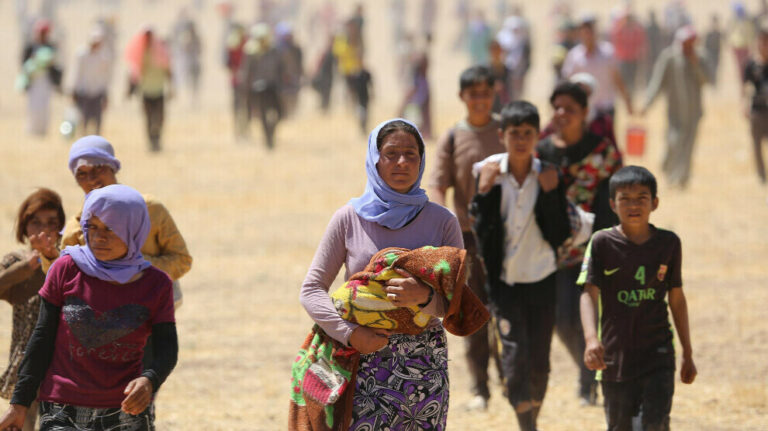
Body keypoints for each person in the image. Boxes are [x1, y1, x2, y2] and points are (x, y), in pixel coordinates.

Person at [300, 119, 463, 429]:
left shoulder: (443, 222)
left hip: (424, 367)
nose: (401, 162)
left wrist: (426, 297)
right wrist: (351, 334)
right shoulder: (348, 219)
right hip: (361, 361)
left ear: (422, 159)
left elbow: (459, 303)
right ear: (374, 159)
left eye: (411, 154)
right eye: (391, 153)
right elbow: (311, 290)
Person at [0, 184, 179, 431]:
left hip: (126, 411)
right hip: (62, 409)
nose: (98, 237)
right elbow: (41, 338)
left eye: (110, 228)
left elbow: (167, 347)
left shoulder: (156, 284)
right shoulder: (65, 269)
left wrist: (150, 379)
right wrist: (18, 404)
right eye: (92, 227)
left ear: (133, 230)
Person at [472, 101, 589, 430]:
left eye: (527, 133)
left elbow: (559, 234)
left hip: (542, 278)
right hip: (504, 283)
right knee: (513, 355)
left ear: (538, 135)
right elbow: (482, 232)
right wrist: (483, 192)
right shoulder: (489, 174)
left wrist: (552, 194)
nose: (521, 140)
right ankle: (527, 425)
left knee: (539, 360)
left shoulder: (549, 174)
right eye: (514, 134)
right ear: (502, 136)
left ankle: (530, 419)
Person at [578, 166, 697, 431]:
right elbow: (588, 294)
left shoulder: (669, 244)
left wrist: (687, 352)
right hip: (614, 357)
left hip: (658, 354)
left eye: (641, 198)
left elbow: (677, 299)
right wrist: (590, 340)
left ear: (654, 203)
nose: (634, 205)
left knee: (654, 425)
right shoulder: (601, 243)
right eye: (625, 199)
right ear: (612, 204)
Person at [536, 82, 623, 406]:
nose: (561, 114)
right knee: (561, 319)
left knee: (588, 317)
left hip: (595, 250)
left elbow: (617, 200)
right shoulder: (542, 152)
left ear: (585, 113)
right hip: (552, 253)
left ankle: (590, 381)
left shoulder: (603, 153)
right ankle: (589, 370)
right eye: (556, 107)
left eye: (569, 108)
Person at [429, 65, 504, 412]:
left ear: (494, 93)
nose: (479, 100)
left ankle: (510, 380)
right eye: (473, 93)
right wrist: (443, 232)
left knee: (508, 311)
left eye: (485, 93)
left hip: (507, 238)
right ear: (462, 97)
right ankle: (481, 389)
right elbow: (438, 184)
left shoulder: (509, 131)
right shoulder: (453, 137)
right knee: (474, 315)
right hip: (469, 241)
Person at [0, 189, 66, 431]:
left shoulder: (67, 260)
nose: (42, 229)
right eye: (35, 222)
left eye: (51, 223)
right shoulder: (16, 260)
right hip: (25, 364)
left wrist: (51, 259)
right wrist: (26, 267)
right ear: (24, 225)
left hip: (61, 362)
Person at [641, 25, 709, 189]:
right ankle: (668, 168)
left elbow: (706, 80)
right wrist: (647, 103)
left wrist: (695, 64)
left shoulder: (700, 57)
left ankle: (682, 179)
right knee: (674, 142)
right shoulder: (669, 57)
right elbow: (657, 82)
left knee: (688, 146)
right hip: (674, 111)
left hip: (694, 112)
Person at [561, 14, 634, 121]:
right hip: (583, 111)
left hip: (606, 109)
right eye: (585, 31)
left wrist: (627, 102)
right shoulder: (574, 56)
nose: (588, 34)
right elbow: (568, 83)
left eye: (591, 30)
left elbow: (618, 80)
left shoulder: (608, 53)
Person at [125, 26, 173, 152]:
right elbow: (134, 73)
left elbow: (168, 70)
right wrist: (130, 89)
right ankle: (152, 142)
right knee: (148, 119)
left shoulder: (161, 51)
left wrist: (172, 87)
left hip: (158, 90)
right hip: (146, 92)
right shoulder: (140, 53)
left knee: (159, 118)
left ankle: (157, 139)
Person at [17, 18, 62, 137]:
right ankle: (32, 130)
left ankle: (43, 131)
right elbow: (23, 64)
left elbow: (56, 64)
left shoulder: (51, 47)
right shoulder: (30, 47)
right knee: (33, 106)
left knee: (44, 106)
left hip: (45, 81)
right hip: (33, 81)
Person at [242, 23, 283, 149]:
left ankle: (271, 132)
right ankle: (268, 139)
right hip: (258, 88)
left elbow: (280, 67)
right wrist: (246, 87)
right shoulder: (251, 52)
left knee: (279, 113)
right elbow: (247, 70)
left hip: (273, 86)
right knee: (263, 114)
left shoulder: (274, 50)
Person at [72, 27, 113, 135]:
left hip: (98, 92)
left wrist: (106, 94)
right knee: (83, 118)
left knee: (98, 119)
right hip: (84, 91)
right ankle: (83, 137)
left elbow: (106, 77)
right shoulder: (81, 54)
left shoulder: (104, 57)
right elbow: (77, 73)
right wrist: (74, 90)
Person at [742, 23, 768, 184]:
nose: (763, 46)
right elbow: (744, 86)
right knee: (756, 146)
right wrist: (744, 104)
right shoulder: (752, 65)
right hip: (757, 111)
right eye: (761, 42)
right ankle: (761, 177)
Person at [704, 14, 722, 86]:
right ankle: (712, 81)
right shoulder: (709, 32)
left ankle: (714, 82)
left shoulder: (718, 32)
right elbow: (706, 43)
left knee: (716, 67)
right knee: (711, 67)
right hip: (710, 52)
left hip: (716, 52)